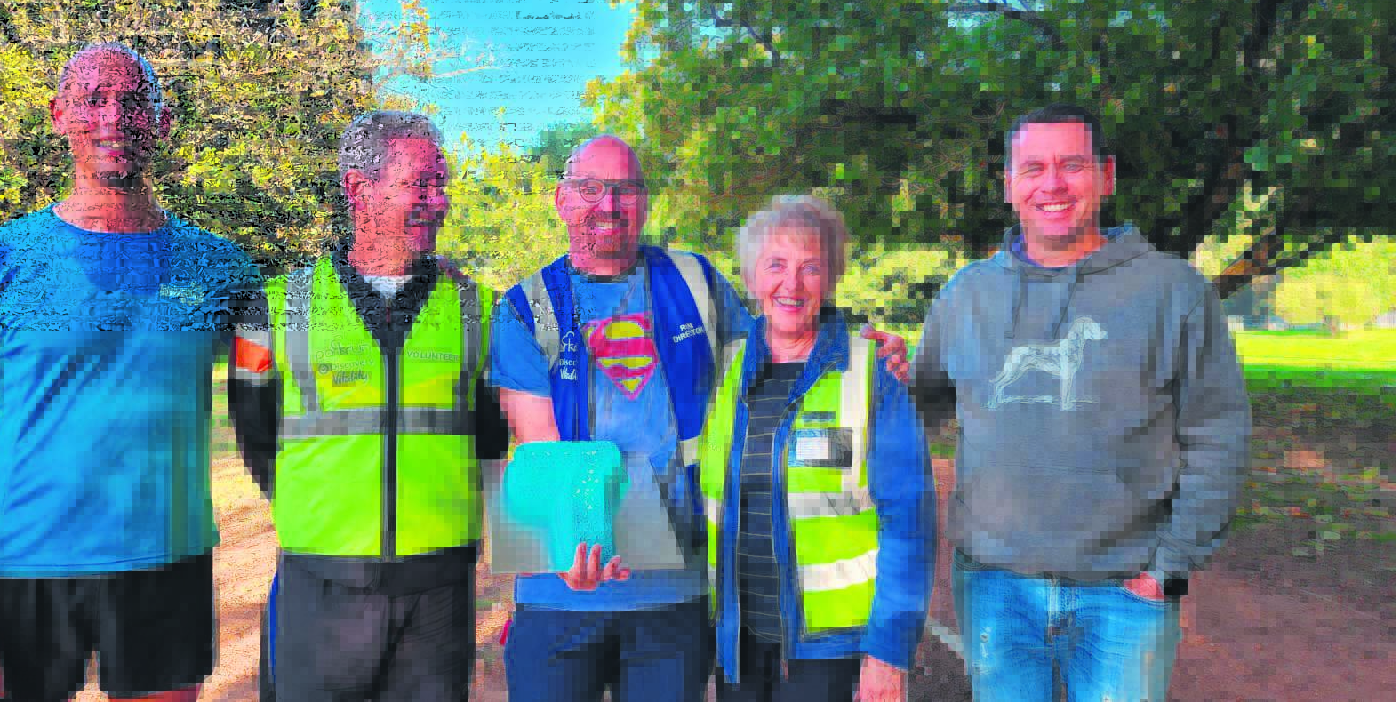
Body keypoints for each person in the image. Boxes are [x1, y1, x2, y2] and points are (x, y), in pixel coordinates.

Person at [489, 135, 910, 701]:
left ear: (645, 202)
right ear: (562, 199)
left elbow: (778, 354)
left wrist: (860, 356)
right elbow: (542, 445)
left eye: (626, 190)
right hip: (560, 590)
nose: (608, 205)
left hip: (678, 591)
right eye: (590, 188)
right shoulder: (526, 306)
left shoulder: (696, 282)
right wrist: (573, 549)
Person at [0, 42, 254, 702]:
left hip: (168, 563)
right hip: (19, 565)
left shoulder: (222, 269)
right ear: (58, 114)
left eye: (135, 102)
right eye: (93, 99)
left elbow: (291, 376)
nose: (114, 118)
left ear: (162, 122)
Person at [911, 103, 1252, 702]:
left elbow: (1218, 435)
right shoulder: (967, 294)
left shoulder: (1174, 292)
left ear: (1106, 176)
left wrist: (1170, 565)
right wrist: (888, 376)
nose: (1053, 184)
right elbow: (924, 405)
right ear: (1009, 185)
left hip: (1125, 592)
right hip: (993, 588)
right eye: (1033, 168)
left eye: (1071, 165)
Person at [231, 111, 509, 701]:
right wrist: (321, 512)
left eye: (442, 185)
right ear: (360, 188)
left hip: (440, 590)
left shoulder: (480, 309)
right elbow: (254, 430)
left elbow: (493, 436)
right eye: (420, 185)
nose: (438, 202)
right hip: (319, 582)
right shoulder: (273, 307)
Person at [694, 195, 935, 702]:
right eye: (775, 265)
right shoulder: (722, 368)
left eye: (810, 268)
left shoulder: (871, 374)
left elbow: (910, 524)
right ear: (751, 277)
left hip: (834, 654)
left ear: (831, 279)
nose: (792, 284)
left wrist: (889, 653)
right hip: (739, 644)